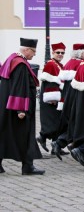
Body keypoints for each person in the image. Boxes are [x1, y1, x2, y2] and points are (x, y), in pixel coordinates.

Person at [0, 38, 44, 175]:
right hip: (19, 108)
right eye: (33, 51)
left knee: (5, 134)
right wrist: (21, 109)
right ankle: (28, 167)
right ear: (26, 50)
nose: (34, 54)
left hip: (6, 106)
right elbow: (19, 87)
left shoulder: (11, 59)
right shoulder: (20, 65)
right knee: (25, 136)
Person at [50, 43, 84, 158]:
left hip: (66, 99)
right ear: (81, 53)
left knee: (72, 124)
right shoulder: (80, 64)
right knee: (77, 125)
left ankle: (62, 143)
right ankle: (66, 144)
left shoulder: (69, 63)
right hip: (75, 99)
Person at [37, 42, 67, 155]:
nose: (60, 54)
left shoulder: (58, 64)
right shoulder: (51, 64)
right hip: (51, 100)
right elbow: (50, 83)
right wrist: (53, 99)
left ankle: (56, 148)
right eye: (58, 52)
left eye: (62, 53)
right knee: (53, 123)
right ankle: (42, 136)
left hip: (56, 98)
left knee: (57, 122)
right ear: (53, 52)